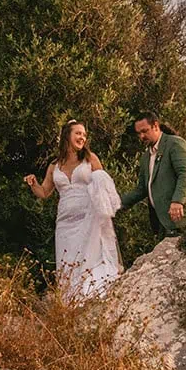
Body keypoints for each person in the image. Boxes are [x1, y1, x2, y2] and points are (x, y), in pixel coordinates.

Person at [24, 119, 123, 300]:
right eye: (78, 133)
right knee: (67, 262)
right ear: (67, 136)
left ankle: (91, 296)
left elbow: (103, 187)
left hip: (88, 219)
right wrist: (33, 184)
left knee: (89, 259)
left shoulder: (90, 159)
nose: (82, 137)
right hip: (64, 223)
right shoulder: (54, 165)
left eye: (84, 135)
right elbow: (45, 192)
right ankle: (71, 302)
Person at [119, 111, 186, 238]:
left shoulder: (175, 144)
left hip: (184, 220)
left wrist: (178, 201)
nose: (141, 136)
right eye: (139, 133)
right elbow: (141, 189)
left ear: (156, 126)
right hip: (162, 223)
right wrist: (116, 204)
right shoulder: (146, 157)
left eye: (144, 131)